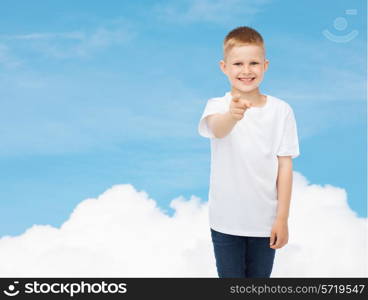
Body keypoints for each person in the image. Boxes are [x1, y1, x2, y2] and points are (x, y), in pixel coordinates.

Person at [198, 26, 300, 278]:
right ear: (224, 67)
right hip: (225, 221)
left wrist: (282, 219)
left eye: (253, 63)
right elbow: (217, 129)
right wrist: (232, 116)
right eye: (238, 64)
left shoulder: (281, 110)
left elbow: (284, 166)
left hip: (266, 224)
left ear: (265, 65)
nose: (246, 71)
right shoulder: (218, 106)